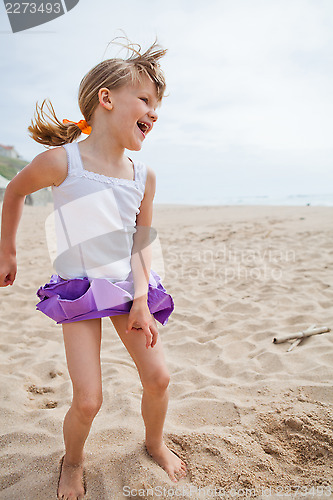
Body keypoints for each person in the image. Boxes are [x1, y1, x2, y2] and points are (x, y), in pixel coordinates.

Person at [0, 40, 187, 499]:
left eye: (157, 106)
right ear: (107, 99)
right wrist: (7, 251)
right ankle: (74, 460)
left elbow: (142, 240)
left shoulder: (144, 176)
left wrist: (141, 301)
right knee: (88, 400)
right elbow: (14, 193)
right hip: (79, 288)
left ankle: (154, 442)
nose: (153, 112)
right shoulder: (62, 163)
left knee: (159, 378)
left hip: (128, 287)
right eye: (144, 100)